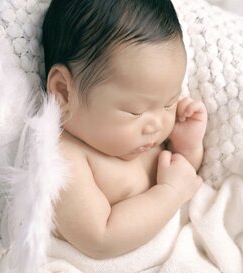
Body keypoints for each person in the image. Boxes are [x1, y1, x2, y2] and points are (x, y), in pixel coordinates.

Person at [42, 0, 207, 259]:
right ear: (63, 91)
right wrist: (171, 194)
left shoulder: (139, 137)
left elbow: (183, 176)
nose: (157, 124)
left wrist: (185, 148)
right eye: (135, 111)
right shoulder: (64, 158)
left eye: (168, 104)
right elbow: (100, 239)